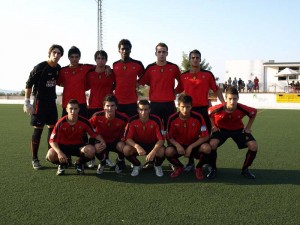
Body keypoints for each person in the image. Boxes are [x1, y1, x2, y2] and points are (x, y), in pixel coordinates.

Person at [180, 49, 225, 172]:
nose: (195, 59)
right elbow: (177, 90)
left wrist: (224, 103)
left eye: (197, 58)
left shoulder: (207, 74)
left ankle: (210, 164)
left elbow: (216, 89)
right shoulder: (183, 76)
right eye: (193, 57)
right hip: (189, 111)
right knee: (190, 137)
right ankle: (190, 163)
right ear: (189, 60)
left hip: (204, 111)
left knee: (209, 138)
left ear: (200, 60)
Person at [24, 44, 64, 170]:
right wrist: (27, 102)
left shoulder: (58, 68)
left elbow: (60, 81)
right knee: (38, 130)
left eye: (59, 53)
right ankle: (34, 159)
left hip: (51, 103)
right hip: (39, 102)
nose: (56, 55)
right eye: (54, 53)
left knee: (52, 130)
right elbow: (29, 84)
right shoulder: (40, 68)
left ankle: (50, 155)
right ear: (50, 53)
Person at [207, 86, 258, 179]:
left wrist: (248, 128)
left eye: (235, 99)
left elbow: (254, 112)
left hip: (237, 130)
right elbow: (209, 113)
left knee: (253, 146)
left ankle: (245, 170)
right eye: (230, 99)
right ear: (225, 98)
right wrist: (213, 126)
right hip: (221, 130)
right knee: (212, 144)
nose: (232, 102)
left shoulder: (241, 108)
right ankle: (213, 169)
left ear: (238, 98)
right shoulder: (218, 108)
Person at [46, 99, 105, 175]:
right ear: (66, 109)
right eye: (71, 109)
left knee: (91, 150)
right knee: (50, 154)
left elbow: (94, 134)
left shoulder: (84, 121)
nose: (73, 111)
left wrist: (102, 141)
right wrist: (59, 152)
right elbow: (52, 141)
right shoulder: (61, 123)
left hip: (78, 146)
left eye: (75, 109)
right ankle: (63, 164)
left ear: (78, 110)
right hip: (63, 147)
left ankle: (79, 163)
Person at [165, 94, 211, 180]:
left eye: (188, 107)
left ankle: (198, 168)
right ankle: (179, 167)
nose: (185, 110)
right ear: (178, 106)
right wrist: (177, 145)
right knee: (168, 151)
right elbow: (169, 137)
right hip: (179, 145)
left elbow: (205, 136)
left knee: (207, 148)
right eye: (182, 107)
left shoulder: (198, 117)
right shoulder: (172, 118)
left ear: (191, 106)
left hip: (194, 145)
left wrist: (191, 147)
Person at [139, 42, 183, 130]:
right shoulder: (150, 68)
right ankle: (156, 144)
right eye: (159, 52)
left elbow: (182, 82)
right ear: (156, 53)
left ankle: (171, 144)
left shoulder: (173, 67)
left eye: (164, 52)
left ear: (167, 53)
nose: (161, 54)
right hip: (155, 104)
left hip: (169, 104)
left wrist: (175, 91)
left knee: (170, 128)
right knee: (154, 128)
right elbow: (141, 82)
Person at [123, 100, 165, 177]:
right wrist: (137, 146)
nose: (143, 112)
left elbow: (161, 140)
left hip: (152, 144)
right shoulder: (132, 120)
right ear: (137, 110)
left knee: (161, 150)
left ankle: (157, 165)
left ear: (149, 110)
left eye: (146, 109)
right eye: (141, 109)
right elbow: (127, 139)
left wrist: (154, 151)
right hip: (138, 144)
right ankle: (137, 165)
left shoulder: (156, 120)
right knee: (126, 149)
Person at [89, 95, 129, 175]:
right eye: (107, 106)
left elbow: (130, 129)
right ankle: (103, 162)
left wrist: (124, 138)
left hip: (116, 141)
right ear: (104, 107)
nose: (110, 108)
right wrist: (98, 138)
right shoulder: (97, 116)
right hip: (102, 141)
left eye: (112, 106)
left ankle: (120, 161)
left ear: (116, 107)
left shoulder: (123, 117)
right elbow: (88, 127)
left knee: (123, 147)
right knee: (96, 147)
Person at [58, 46, 94, 118]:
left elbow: (99, 66)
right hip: (67, 104)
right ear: (68, 57)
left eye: (76, 57)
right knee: (65, 126)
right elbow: (59, 82)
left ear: (79, 57)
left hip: (81, 103)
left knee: (83, 126)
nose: (74, 59)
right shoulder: (63, 70)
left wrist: (107, 67)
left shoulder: (85, 67)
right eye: (72, 57)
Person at [112, 39, 145, 117]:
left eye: (127, 49)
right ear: (119, 50)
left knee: (131, 125)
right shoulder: (115, 65)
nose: (124, 51)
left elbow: (145, 77)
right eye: (122, 49)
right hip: (118, 102)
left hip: (132, 102)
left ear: (130, 50)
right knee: (119, 126)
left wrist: (138, 83)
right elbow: (113, 81)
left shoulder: (137, 64)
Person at [86, 50, 115, 118]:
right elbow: (86, 87)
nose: (100, 60)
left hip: (108, 105)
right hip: (94, 105)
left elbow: (117, 84)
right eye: (98, 58)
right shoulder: (90, 74)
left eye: (103, 58)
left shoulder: (111, 73)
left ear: (106, 60)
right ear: (95, 60)